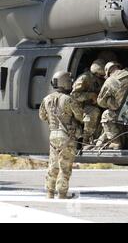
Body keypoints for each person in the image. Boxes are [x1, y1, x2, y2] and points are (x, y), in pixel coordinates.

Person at [39, 71, 84, 199]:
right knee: (65, 166)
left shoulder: (46, 99)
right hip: (67, 136)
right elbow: (80, 116)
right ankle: (62, 193)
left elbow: (42, 116)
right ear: (66, 82)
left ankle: (49, 192)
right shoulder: (69, 99)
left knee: (53, 165)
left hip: (53, 136)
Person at [96, 62, 128, 150]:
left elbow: (100, 101)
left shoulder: (110, 80)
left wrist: (110, 102)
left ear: (107, 72)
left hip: (125, 113)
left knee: (106, 114)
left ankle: (115, 142)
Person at [71, 59, 106, 149]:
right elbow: (74, 95)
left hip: (95, 106)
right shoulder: (84, 78)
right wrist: (90, 96)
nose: (103, 76)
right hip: (82, 108)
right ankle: (86, 141)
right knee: (93, 112)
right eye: (101, 74)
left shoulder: (100, 79)